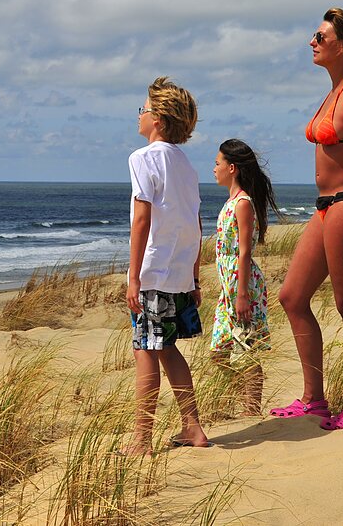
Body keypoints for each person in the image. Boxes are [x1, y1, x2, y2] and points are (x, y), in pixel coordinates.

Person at [276, 7, 343, 430]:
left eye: (320, 37)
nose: (312, 43)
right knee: (292, 297)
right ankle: (314, 399)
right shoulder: (333, 91)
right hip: (325, 207)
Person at [124, 76, 209, 454]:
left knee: (147, 350)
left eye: (142, 109)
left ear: (157, 118)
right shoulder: (185, 164)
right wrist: (193, 274)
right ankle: (191, 427)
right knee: (166, 348)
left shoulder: (143, 157)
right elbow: (195, 221)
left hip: (154, 272)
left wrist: (133, 277)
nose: (138, 116)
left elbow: (141, 220)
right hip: (177, 271)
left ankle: (142, 438)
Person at [209, 139, 278, 415]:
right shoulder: (231, 202)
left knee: (245, 348)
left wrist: (242, 294)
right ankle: (242, 402)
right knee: (220, 352)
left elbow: (245, 251)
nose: (214, 169)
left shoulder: (243, 203)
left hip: (242, 285)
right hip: (230, 287)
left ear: (232, 168)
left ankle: (251, 410)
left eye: (217, 163)